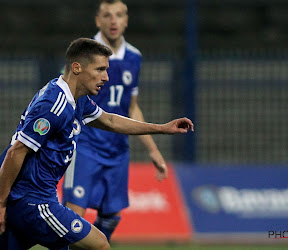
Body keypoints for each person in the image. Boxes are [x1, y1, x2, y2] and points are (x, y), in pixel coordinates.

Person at [0, 38, 194, 250]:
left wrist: (162, 128)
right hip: (33, 200)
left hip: (32, 196)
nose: (106, 77)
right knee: (100, 244)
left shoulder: (77, 98)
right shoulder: (53, 105)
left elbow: (110, 120)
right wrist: (1, 203)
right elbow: (15, 152)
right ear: (77, 68)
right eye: (100, 69)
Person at [62, 0, 169, 242]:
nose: (113, 20)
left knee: (112, 216)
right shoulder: (84, 55)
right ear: (98, 21)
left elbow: (132, 107)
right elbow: (66, 95)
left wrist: (153, 150)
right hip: (85, 147)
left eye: (119, 15)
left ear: (126, 20)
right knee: (73, 218)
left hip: (117, 150)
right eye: (107, 15)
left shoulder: (134, 57)